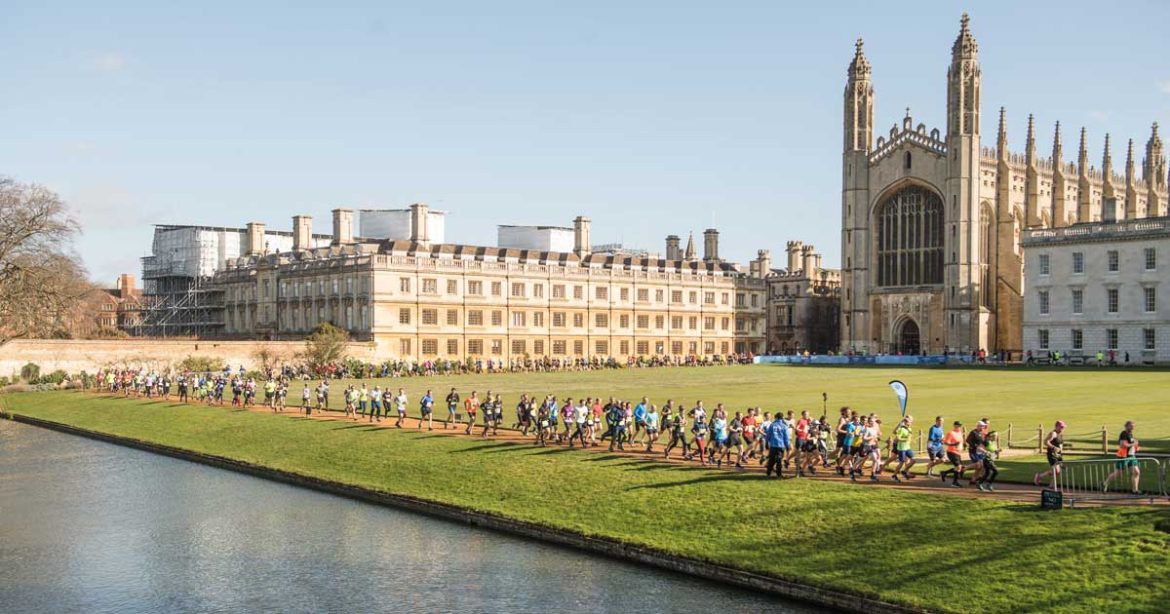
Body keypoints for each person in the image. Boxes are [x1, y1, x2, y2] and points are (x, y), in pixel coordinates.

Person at [1103, 421, 1141, 494]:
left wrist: (1136, 447)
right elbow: (1122, 445)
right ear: (1126, 426)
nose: (1133, 427)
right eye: (1131, 426)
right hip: (1123, 457)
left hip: (1131, 456)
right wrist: (1134, 444)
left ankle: (1135, 490)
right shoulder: (1124, 434)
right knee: (1118, 473)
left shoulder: (1130, 434)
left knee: (1136, 472)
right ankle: (1105, 483)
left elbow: (1130, 445)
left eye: (1133, 426)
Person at [1034, 420, 1066, 488]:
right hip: (1052, 455)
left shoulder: (1060, 435)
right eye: (1061, 427)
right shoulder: (1053, 433)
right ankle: (1052, 486)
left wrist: (1061, 458)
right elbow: (1045, 442)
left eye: (1063, 427)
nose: (1062, 429)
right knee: (1057, 471)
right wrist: (1053, 447)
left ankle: (1041, 477)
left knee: (1057, 471)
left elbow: (1060, 446)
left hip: (1058, 455)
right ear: (1056, 426)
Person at [938, 421, 966, 487]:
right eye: (957, 425)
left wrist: (964, 445)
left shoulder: (959, 433)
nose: (959, 427)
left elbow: (960, 441)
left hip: (958, 453)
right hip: (951, 452)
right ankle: (954, 482)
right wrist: (954, 444)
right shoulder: (951, 433)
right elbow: (946, 443)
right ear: (954, 426)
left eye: (959, 426)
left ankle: (944, 473)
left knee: (960, 467)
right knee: (958, 467)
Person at [764, 414, 790, 479]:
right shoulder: (784, 426)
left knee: (771, 460)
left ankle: (768, 474)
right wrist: (787, 446)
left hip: (773, 445)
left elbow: (768, 435)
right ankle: (779, 475)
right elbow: (786, 437)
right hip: (781, 445)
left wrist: (766, 443)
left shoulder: (772, 425)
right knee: (779, 460)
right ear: (782, 418)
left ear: (776, 417)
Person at [891, 416, 916, 483]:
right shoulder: (901, 429)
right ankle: (894, 475)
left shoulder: (910, 429)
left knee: (914, 460)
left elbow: (909, 436)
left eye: (910, 421)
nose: (910, 422)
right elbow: (898, 438)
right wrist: (905, 439)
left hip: (907, 447)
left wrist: (911, 439)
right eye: (908, 421)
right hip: (901, 448)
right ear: (905, 422)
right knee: (901, 462)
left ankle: (904, 471)